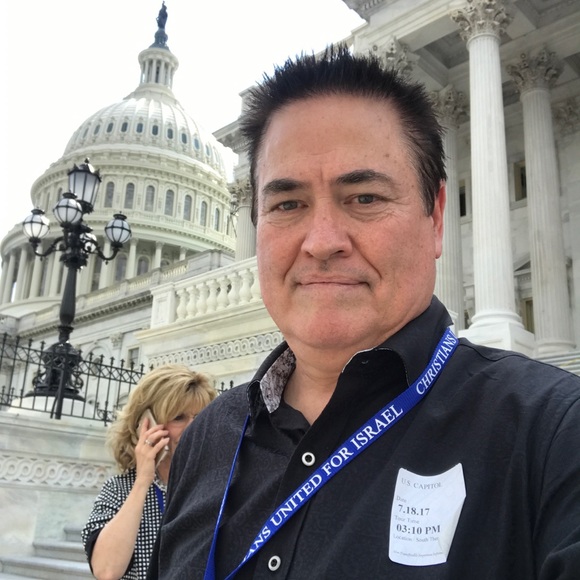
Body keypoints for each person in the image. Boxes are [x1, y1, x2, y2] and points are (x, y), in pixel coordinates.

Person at [147, 45, 580, 579]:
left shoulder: (555, 435)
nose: (321, 242)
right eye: (288, 204)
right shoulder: (209, 436)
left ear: (436, 217)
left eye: (365, 198)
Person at [82, 364, 217, 579]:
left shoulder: (218, 484)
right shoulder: (121, 489)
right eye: (179, 417)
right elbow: (107, 570)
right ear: (147, 424)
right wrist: (143, 480)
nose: (193, 428)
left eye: (200, 417)